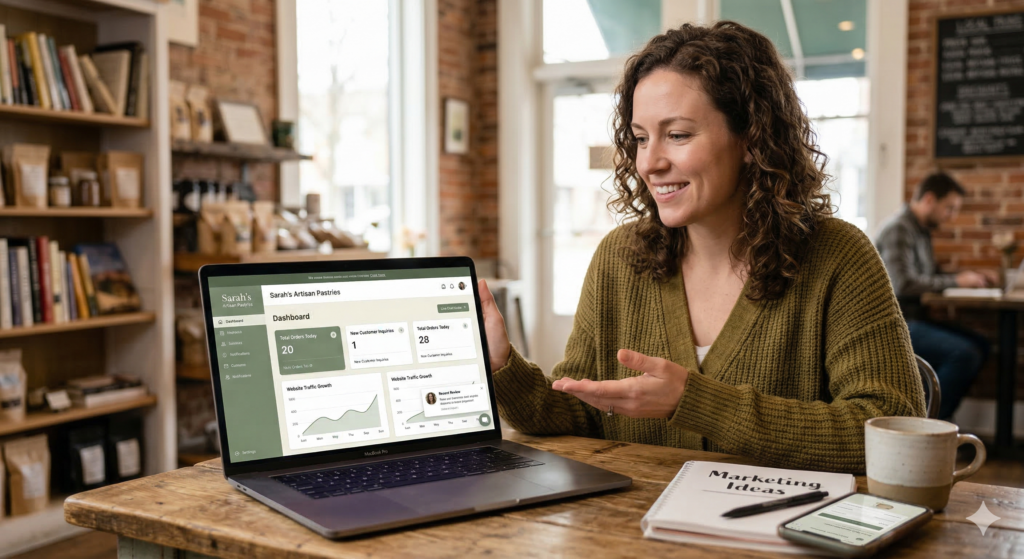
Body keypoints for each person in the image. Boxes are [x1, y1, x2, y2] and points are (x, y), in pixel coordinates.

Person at [477, 21, 924, 475]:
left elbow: (890, 430)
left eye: (678, 135)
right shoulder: (618, 258)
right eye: (640, 137)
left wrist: (696, 403)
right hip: (634, 534)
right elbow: (578, 415)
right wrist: (503, 366)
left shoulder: (838, 256)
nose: (650, 163)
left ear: (751, 138)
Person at [875, 172, 993, 420]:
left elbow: (931, 275)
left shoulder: (921, 230)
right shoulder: (899, 229)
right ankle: (926, 427)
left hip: (917, 319)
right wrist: (957, 281)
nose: (952, 216)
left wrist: (967, 277)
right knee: (964, 354)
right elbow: (904, 285)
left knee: (983, 344)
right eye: (949, 208)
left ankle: (930, 421)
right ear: (929, 199)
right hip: (896, 325)